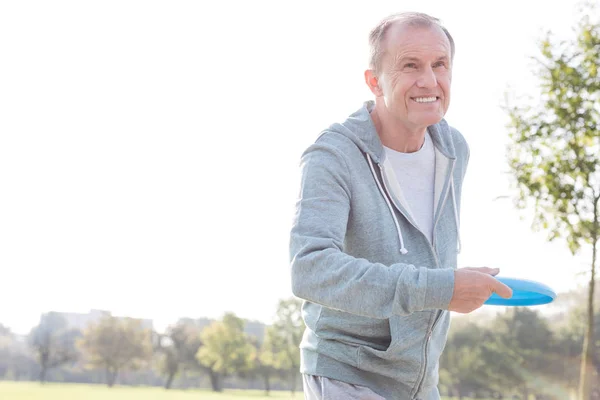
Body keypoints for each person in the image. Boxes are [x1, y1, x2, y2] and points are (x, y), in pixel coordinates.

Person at [289, 11, 513, 400]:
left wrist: (456, 285)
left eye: (439, 64)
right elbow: (310, 270)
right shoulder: (333, 156)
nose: (429, 81)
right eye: (410, 66)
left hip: (419, 383)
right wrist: (441, 288)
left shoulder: (453, 148)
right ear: (374, 81)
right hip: (346, 373)